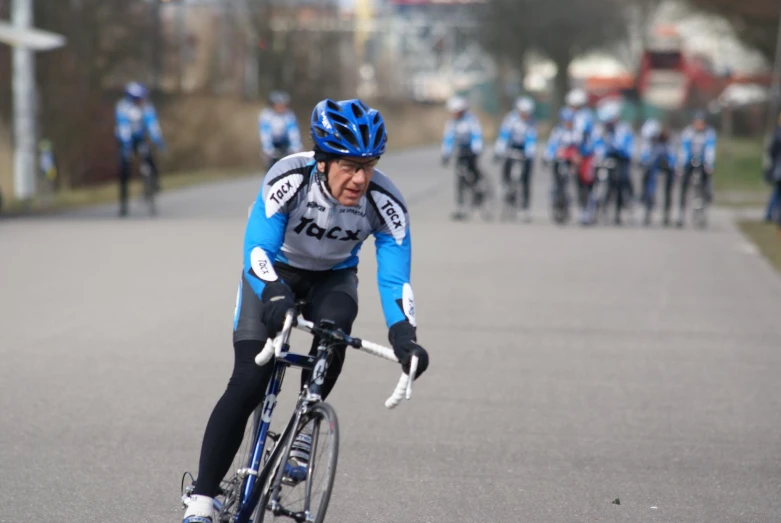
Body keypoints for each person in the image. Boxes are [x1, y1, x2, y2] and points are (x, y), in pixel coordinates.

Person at [182, 98, 430, 523]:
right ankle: (202, 500)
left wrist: (404, 335)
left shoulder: (386, 201)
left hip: (333, 278)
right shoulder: (289, 176)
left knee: (335, 331)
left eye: (369, 165)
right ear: (323, 161)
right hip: (273, 271)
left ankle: (303, 422)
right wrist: (274, 294)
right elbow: (256, 249)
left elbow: (394, 280)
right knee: (248, 380)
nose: (360, 178)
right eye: (349, 166)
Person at [115, 81, 165, 217]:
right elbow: (123, 126)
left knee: (149, 158)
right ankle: (123, 203)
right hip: (126, 140)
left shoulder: (147, 107)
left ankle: (154, 183)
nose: (142, 100)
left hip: (140, 139)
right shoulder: (123, 107)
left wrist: (158, 140)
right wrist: (126, 145)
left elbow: (152, 124)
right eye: (139, 98)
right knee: (124, 168)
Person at [494, 96, 538, 221]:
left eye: (527, 113)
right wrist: (499, 151)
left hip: (524, 150)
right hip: (512, 147)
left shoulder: (531, 122)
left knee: (525, 179)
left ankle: (525, 208)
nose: (525, 115)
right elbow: (503, 136)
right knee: (507, 163)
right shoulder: (510, 119)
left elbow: (531, 140)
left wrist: (529, 154)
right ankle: (505, 184)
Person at [441, 95, 484, 219]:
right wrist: (446, 154)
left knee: (473, 172)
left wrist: (476, 149)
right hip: (460, 151)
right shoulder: (451, 123)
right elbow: (448, 139)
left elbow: (477, 136)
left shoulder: (471, 120)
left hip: (471, 149)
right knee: (460, 178)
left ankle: (478, 194)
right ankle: (460, 206)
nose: (455, 114)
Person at [592, 100, 634, 225]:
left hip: (621, 159)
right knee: (598, 180)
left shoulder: (624, 129)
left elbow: (625, 147)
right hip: (606, 158)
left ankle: (621, 208)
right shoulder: (600, 129)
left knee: (621, 182)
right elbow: (596, 144)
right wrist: (600, 154)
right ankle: (598, 207)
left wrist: (612, 144)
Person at [676, 110, 717, 227]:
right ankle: (681, 213)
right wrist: (681, 165)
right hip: (690, 160)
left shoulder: (709, 133)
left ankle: (705, 204)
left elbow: (710, 150)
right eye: (697, 123)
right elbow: (684, 150)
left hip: (703, 161)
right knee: (684, 184)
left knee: (705, 183)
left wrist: (710, 165)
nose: (699, 125)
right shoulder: (688, 132)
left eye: (701, 123)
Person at [566, 88, 597, 221]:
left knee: (584, 182)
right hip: (582, 153)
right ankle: (585, 208)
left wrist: (577, 153)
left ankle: (586, 209)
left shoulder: (582, 117)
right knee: (581, 182)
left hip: (586, 154)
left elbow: (579, 137)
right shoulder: (582, 116)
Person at [639, 121, 676, 226]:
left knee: (668, 188)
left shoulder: (666, 141)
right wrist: (643, 162)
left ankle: (666, 213)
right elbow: (644, 154)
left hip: (666, 166)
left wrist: (671, 164)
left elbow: (672, 154)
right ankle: (647, 207)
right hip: (653, 167)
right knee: (648, 183)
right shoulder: (648, 143)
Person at [258, 90, 303, 169]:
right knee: (270, 164)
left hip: (285, 142)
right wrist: (268, 149)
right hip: (272, 142)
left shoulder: (289, 115)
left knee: (291, 164)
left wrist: (296, 146)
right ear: (273, 105)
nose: (281, 108)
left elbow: (293, 132)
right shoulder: (266, 115)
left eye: (283, 105)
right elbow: (265, 134)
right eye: (278, 105)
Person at [763, 113, 781, 230]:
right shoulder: (778, 134)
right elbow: (772, 151)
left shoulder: (776, 133)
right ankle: (773, 216)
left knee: (777, 193)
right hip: (778, 168)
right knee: (777, 193)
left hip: (777, 168)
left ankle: (769, 215)